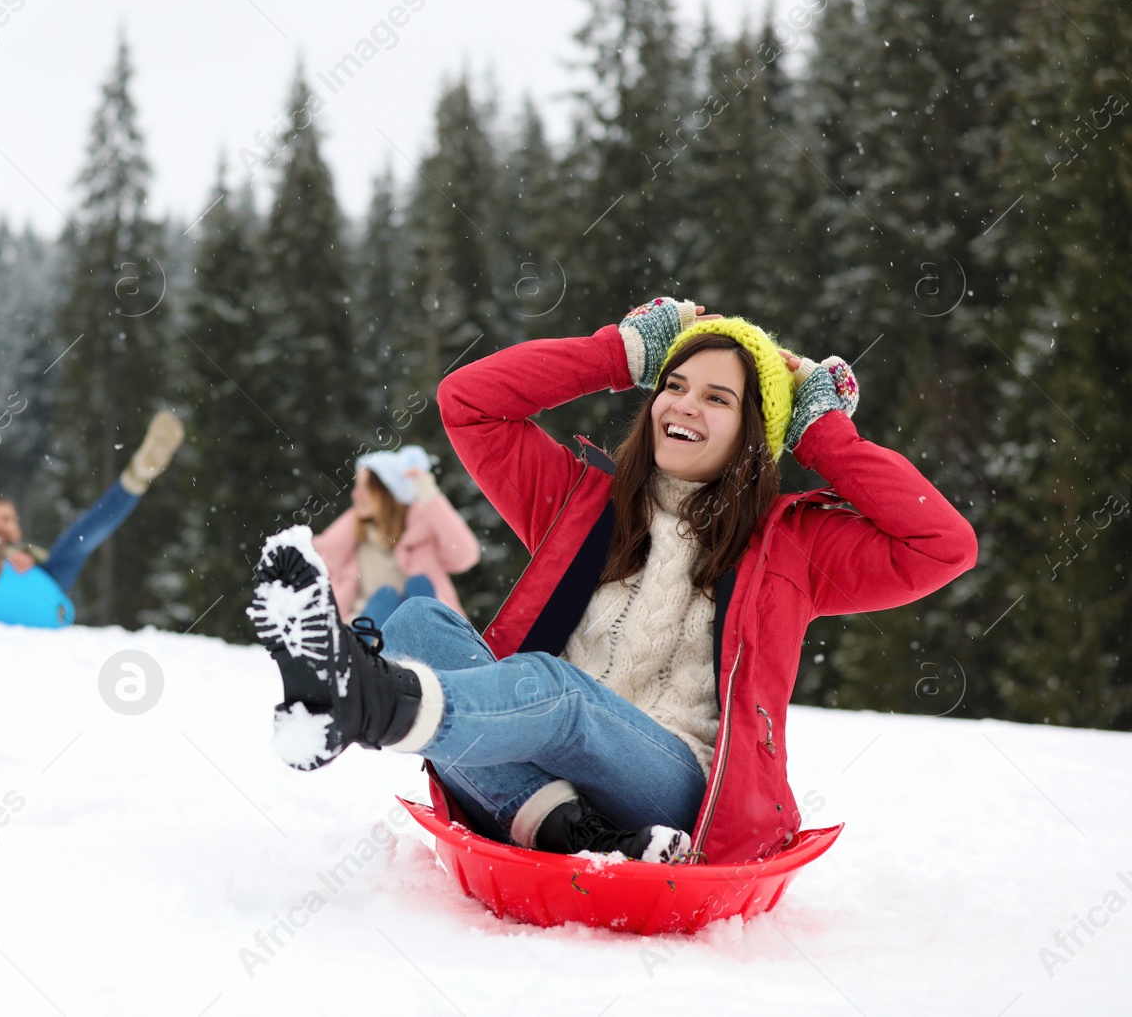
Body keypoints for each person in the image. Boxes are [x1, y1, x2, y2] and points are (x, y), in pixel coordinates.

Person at [248, 298, 977, 865]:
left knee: (557, 690)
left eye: (718, 398)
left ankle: (367, 703)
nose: (684, 404)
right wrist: (620, 351)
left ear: (756, 431)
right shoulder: (581, 502)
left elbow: (942, 545)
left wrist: (819, 431)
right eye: (674, 383)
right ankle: (567, 826)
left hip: (675, 780)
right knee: (413, 626)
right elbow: (467, 402)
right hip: (552, 745)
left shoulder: (793, 547)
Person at [0, 383, 185, 626]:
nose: (0, 524)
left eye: (6, 519)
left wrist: (26, 566)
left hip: (41, 594)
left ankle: (139, 474)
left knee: (77, 542)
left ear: (18, 532)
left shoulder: (35, 562)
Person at [311, 445, 480, 629]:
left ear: (388, 490)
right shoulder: (348, 543)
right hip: (366, 641)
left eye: (365, 487)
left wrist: (429, 496)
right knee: (385, 597)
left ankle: (432, 641)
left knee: (420, 586)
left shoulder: (422, 536)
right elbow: (310, 567)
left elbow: (465, 555)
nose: (356, 494)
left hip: (422, 635)